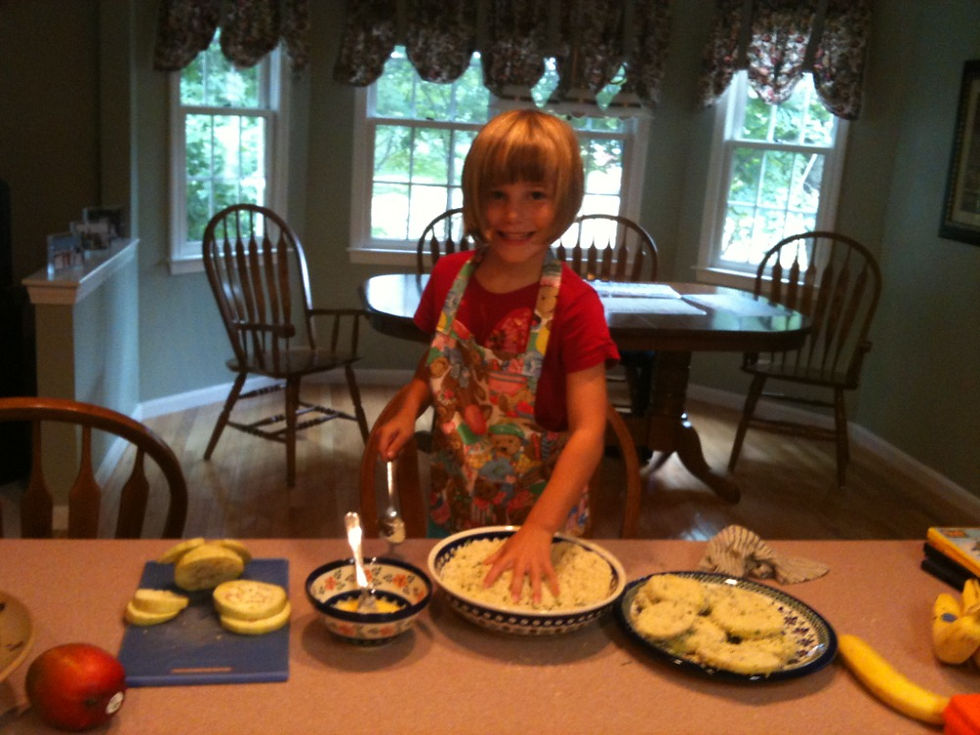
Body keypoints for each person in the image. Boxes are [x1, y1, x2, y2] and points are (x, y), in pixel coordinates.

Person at [376, 109, 619, 601]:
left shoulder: (575, 304)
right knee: (461, 603)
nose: (514, 215)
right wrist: (409, 406)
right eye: (497, 196)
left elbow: (591, 431)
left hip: (543, 510)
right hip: (457, 490)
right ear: (475, 199)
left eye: (536, 195)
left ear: (565, 201)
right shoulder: (449, 277)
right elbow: (438, 361)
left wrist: (540, 528)